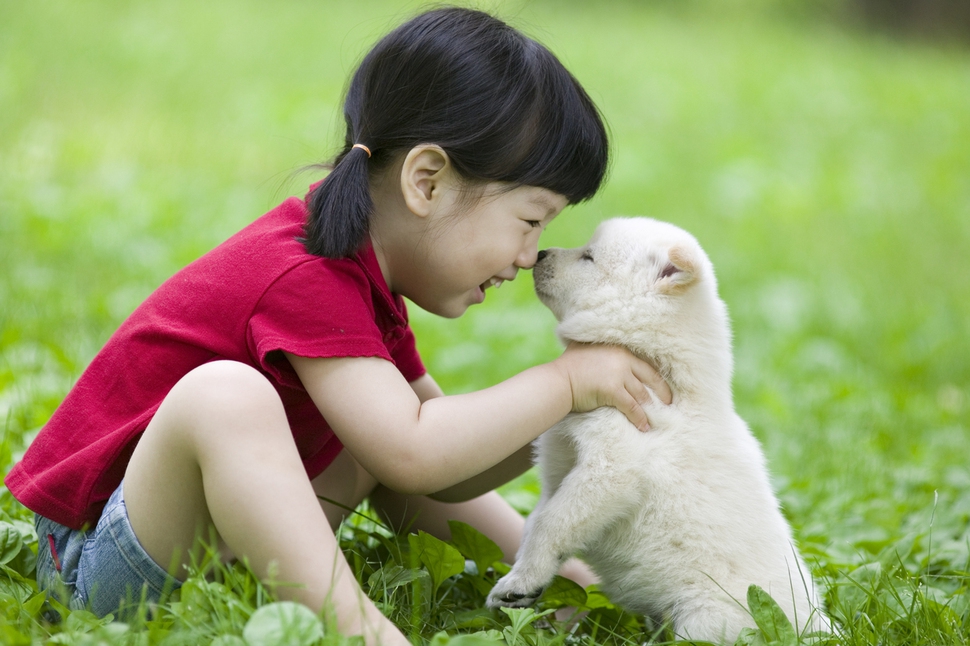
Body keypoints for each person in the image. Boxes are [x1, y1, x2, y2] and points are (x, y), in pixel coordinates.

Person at [6, 7, 670, 645]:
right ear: (427, 182)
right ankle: (360, 633)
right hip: (101, 562)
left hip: (202, 542)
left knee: (382, 431)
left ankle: (551, 586)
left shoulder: (362, 277)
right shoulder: (303, 273)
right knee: (230, 399)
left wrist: (576, 405)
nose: (530, 257)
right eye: (531, 221)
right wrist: (563, 382)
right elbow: (416, 451)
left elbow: (437, 473)